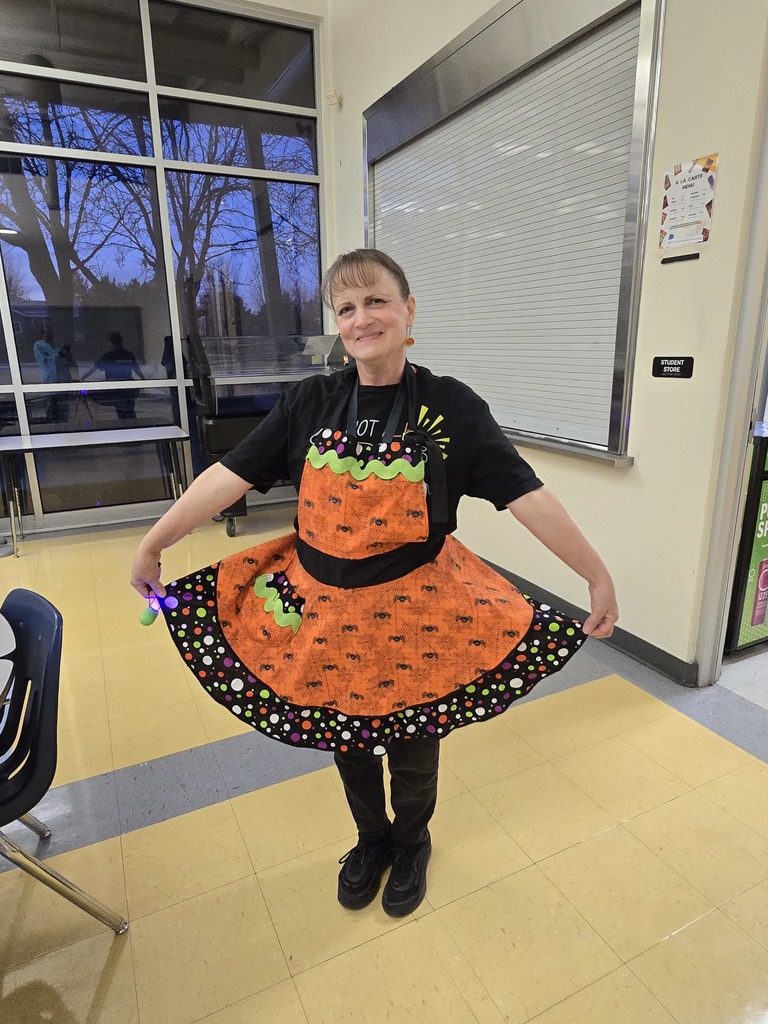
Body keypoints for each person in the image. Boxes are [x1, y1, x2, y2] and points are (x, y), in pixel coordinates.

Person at [130, 249, 618, 917]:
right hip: (326, 615)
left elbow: (527, 497)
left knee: (415, 751)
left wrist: (596, 575)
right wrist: (155, 540)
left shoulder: (452, 407)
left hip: (420, 616)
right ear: (338, 322)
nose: (363, 319)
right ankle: (371, 841)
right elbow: (231, 475)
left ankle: (411, 843)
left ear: (409, 310)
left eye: (377, 301)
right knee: (348, 743)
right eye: (348, 307)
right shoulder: (311, 400)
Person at [82, 331, 145, 419]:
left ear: (111, 343)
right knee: (128, 411)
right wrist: (144, 381)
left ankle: (128, 426)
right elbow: (137, 370)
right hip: (128, 389)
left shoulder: (109, 356)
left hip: (117, 390)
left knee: (122, 411)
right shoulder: (128, 354)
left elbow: (94, 369)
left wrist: (82, 380)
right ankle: (131, 426)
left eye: (108, 342)